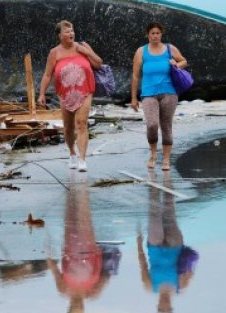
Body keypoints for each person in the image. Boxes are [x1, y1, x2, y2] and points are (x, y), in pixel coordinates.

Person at [47, 171, 118, 312]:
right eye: (80, 310)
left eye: (74, 310)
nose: (77, 307)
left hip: (70, 247)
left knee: (70, 217)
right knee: (84, 218)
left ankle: (71, 189)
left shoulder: (64, 290)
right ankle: (83, 189)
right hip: (89, 248)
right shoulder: (92, 293)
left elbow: (54, 269)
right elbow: (107, 274)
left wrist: (48, 249)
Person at [38, 20, 103, 171]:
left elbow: (99, 63)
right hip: (65, 93)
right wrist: (42, 93)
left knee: (81, 123)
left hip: (84, 90)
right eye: (67, 32)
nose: (71, 33)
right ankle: (72, 154)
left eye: (72, 30)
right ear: (59, 35)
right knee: (68, 127)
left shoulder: (83, 46)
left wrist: (86, 52)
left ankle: (82, 159)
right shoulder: (54, 53)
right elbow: (47, 75)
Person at [137, 169, 198, 313]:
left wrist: (139, 243)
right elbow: (190, 266)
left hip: (154, 246)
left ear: (158, 306)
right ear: (171, 307)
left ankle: (152, 178)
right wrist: (188, 273)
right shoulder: (180, 287)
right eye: (168, 308)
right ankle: (166, 176)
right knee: (169, 208)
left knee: (154, 212)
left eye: (161, 308)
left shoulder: (150, 286)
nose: (165, 304)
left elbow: (142, 264)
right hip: (174, 245)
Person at [130, 23, 188, 171]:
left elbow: (184, 61)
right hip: (148, 93)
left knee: (166, 126)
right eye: (152, 33)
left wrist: (176, 64)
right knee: (152, 125)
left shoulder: (170, 49)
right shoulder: (141, 52)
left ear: (161, 34)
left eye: (158, 33)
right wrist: (134, 98)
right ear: (147, 34)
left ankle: (167, 160)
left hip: (169, 92)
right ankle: (153, 154)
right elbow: (136, 76)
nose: (155, 36)